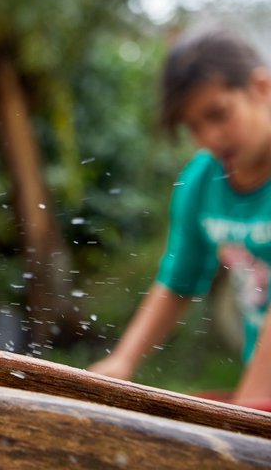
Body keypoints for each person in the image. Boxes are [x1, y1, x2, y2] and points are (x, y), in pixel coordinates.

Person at [89, 28, 271, 407]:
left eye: (218, 115)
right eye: (194, 126)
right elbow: (177, 282)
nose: (210, 137)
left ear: (262, 88)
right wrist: (122, 362)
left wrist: (249, 409)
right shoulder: (203, 181)